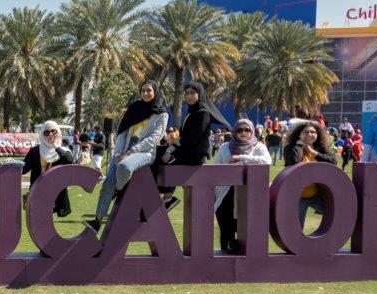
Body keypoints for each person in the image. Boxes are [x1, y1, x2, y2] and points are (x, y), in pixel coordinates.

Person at [88, 80, 168, 232]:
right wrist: (118, 153)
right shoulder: (134, 108)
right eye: (143, 90)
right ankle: (97, 221)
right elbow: (122, 133)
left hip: (144, 152)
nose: (146, 93)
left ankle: (118, 189)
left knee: (124, 167)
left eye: (149, 90)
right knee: (107, 185)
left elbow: (154, 139)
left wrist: (131, 152)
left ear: (155, 91)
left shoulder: (161, 114)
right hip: (123, 149)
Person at [159, 81, 228, 211]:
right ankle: (165, 197)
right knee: (159, 154)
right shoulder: (191, 112)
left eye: (193, 93)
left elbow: (192, 138)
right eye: (187, 93)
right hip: (186, 151)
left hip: (196, 154)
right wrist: (171, 147)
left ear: (200, 94)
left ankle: (168, 198)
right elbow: (184, 138)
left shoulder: (203, 113)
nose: (189, 96)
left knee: (169, 161)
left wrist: (176, 142)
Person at [212, 119, 272, 254]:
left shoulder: (259, 147)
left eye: (247, 130)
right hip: (225, 193)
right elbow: (216, 169)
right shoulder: (225, 147)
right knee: (226, 229)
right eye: (239, 130)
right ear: (235, 132)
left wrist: (241, 158)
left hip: (248, 194)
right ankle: (225, 259)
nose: (243, 133)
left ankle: (247, 262)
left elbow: (266, 161)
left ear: (252, 131)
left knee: (247, 230)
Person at [283, 120, 338, 227]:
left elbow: (333, 161)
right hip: (298, 195)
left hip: (317, 194)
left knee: (335, 214)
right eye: (306, 132)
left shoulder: (320, 148)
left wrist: (314, 153)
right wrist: (299, 144)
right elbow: (293, 161)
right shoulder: (291, 147)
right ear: (299, 134)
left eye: (313, 132)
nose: (310, 134)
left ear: (317, 134)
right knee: (297, 228)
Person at [22, 120, 77, 218]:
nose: (50, 134)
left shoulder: (63, 150)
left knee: (46, 222)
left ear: (58, 132)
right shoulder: (35, 151)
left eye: (53, 131)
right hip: (38, 192)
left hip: (56, 195)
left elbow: (69, 160)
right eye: (46, 132)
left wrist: (56, 146)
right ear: (42, 135)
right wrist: (11, 165)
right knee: (38, 221)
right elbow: (24, 169)